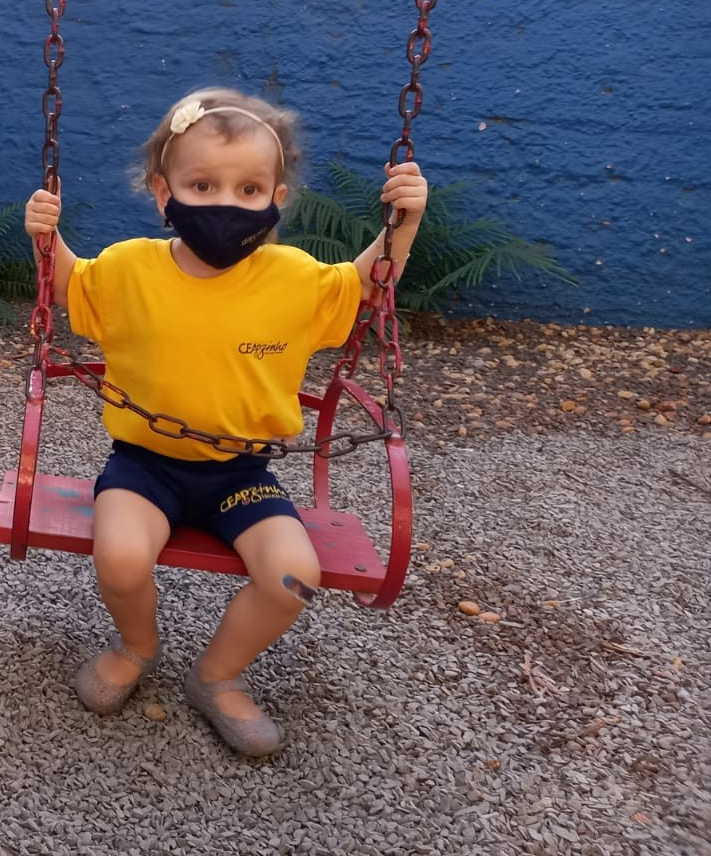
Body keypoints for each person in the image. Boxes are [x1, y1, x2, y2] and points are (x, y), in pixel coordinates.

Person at [22, 87, 428, 756]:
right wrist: (47, 234)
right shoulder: (129, 269)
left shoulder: (294, 280)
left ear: (276, 198)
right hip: (145, 468)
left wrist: (402, 223)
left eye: (249, 189)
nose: (225, 205)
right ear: (164, 192)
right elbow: (67, 285)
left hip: (241, 475)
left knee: (294, 575)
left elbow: (368, 283)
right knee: (120, 558)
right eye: (203, 185)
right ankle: (137, 645)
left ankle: (217, 676)